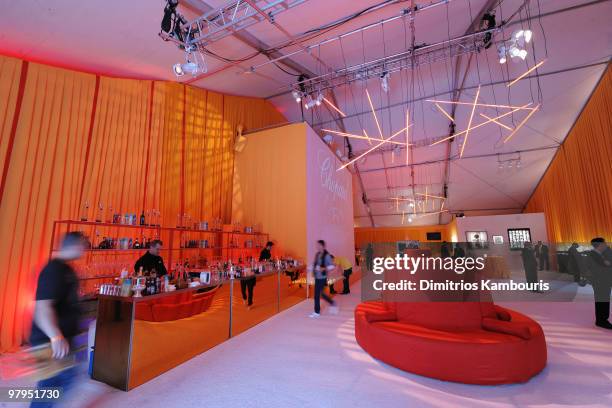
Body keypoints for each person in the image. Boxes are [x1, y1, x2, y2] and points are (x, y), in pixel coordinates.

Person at [30, 232, 86, 407]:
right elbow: (42, 307)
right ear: (75, 245)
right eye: (83, 245)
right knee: (48, 388)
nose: (85, 249)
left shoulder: (67, 269)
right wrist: (55, 337)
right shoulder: (53, 270)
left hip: (63, 340)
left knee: (67, 380)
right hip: (49, 341)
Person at [585, 238, 612, 329]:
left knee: (603, 300)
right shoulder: (592, 255)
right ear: (600, 245)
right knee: (602, 300)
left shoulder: (599, 254)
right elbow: (595, 270)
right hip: (600, 282)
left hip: (604, 282)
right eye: (604, 243)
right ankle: (601, 321)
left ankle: (602, 319)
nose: (606, 244)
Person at [310, 240, 337, 318]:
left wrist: (324, 268)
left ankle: (317, 312)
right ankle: (331, 302)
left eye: (318, 245)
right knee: (320, 294)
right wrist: (310, 268)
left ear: (322, 246)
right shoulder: (317, 254)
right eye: (317, 245)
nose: (317, 247)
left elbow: (332, 266)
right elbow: (315, 264)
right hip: (317, 277)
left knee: (317, 295)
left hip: (322, 277)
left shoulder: (327, 255)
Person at [241, 241, 272, 308]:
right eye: (270, 246)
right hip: (244, 276)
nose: (271, 248)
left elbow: (259, 263)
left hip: (251, 275)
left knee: (250, 290)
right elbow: (261, 261)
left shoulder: (255, 260)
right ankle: (244, 298)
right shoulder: (263, 252)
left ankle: (250, 303)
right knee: (243, 290)